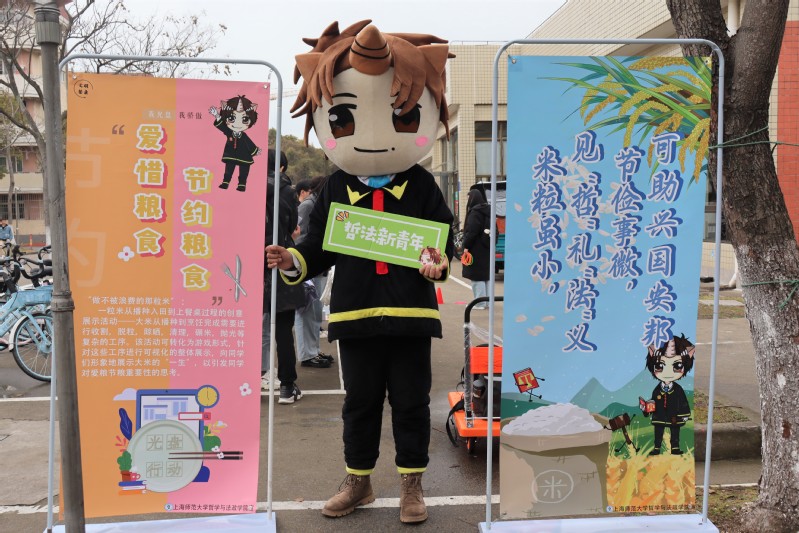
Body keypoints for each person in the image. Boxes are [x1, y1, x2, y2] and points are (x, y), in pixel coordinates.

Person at [267, 20, 453, 524]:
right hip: (356, 315)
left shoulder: (421, 185)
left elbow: (441, 241)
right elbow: (317, 248)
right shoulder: (335, 187)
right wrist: (292, 259)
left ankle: (412, 484)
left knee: (412, 403)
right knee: (361, 404)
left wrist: (437, 263)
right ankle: (360, 481)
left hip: (411, 315)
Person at [262, 149, 305, 404]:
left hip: (246, 265)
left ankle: (249, 379)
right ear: (281, 167)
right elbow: (291, 226)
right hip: (279, 259)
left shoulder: (243, 186)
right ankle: (287, 386)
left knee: (247, 326)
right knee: (283, 330)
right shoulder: (287, 191)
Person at [294, 175, 334, 369]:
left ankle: (314, 350)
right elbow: (300, 236)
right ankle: (307, 354)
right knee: (306, 311)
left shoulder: (320, 204)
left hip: (319, 268)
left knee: (316, 312)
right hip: (308, 267)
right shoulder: (308, 205)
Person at [461, 188, 492, 309]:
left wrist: (466, 246)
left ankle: (479, 303)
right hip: (487, 248)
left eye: (469, 197)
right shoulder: (489, 210)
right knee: (486, 276)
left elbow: (472, 232)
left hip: (476, 249)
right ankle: (487, 302)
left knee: (476, 276)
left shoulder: (475, 212)